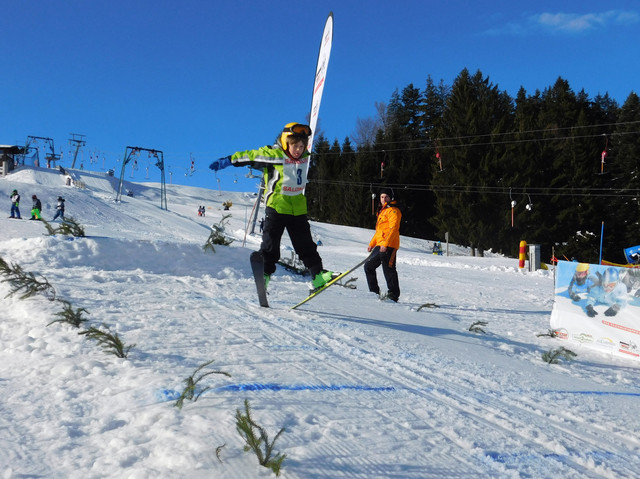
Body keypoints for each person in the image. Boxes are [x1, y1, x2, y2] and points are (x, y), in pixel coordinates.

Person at [209, 122, 336, 291]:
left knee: (306, 245)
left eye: (301, 146)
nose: (298, 149)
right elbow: (251, 156)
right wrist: (229, 160)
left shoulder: (305, 156)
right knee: (270, 245)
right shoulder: (275, 155)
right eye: (294, 146)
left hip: (297, 209)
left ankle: (318, 275)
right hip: (276, 207)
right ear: (285, 143)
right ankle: (265, 275)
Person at [364, 188, 402, 302]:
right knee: (368, 266)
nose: (383, 199)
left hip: (389, 245)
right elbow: (380, 231)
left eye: (386, 197)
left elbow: (393, 228)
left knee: (388, 268)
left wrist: (385, 244)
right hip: (380, 245)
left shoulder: (394, 210)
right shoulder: (382, 211)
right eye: (381, 197)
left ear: (390, 198)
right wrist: (372, 243)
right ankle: (374, 292)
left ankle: (393, 294)